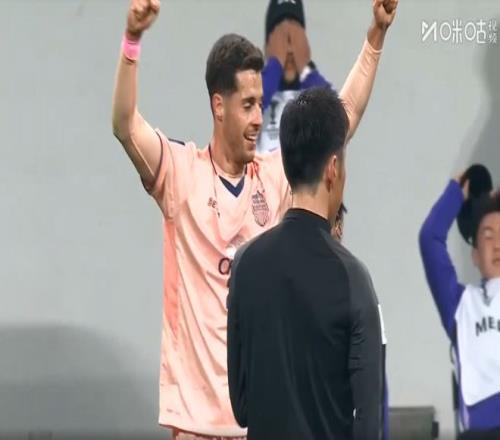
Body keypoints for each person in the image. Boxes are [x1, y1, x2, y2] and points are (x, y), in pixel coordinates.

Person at [111, 0, 396, 437]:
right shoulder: (181, 174)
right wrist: (132, 40)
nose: (258, 119)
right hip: (194, 425)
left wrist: (376, 35)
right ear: (218, 105)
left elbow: (344, 118)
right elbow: (125, 125)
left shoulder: (272, 176)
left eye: (261, 104)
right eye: (247, 105)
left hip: (256, 424)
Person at [227, 87, 386, 439]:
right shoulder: (353, 278)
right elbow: (369, 421)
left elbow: (241, 406)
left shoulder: (245, 264)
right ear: (333, 168)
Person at [419, 165, 500, 439]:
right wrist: (456, 190)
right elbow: (430, 239)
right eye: (488, 236)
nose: (497, 244)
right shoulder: (461, 305)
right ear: (475, 255)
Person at [258, 0, 332, 153]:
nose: (289, 49)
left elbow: (339, 122)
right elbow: (239, 118)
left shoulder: (316, 94)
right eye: (281, 38)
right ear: (267, 47)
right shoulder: (255, 92)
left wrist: (306, 69)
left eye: (295, 37)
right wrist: (275, 65)